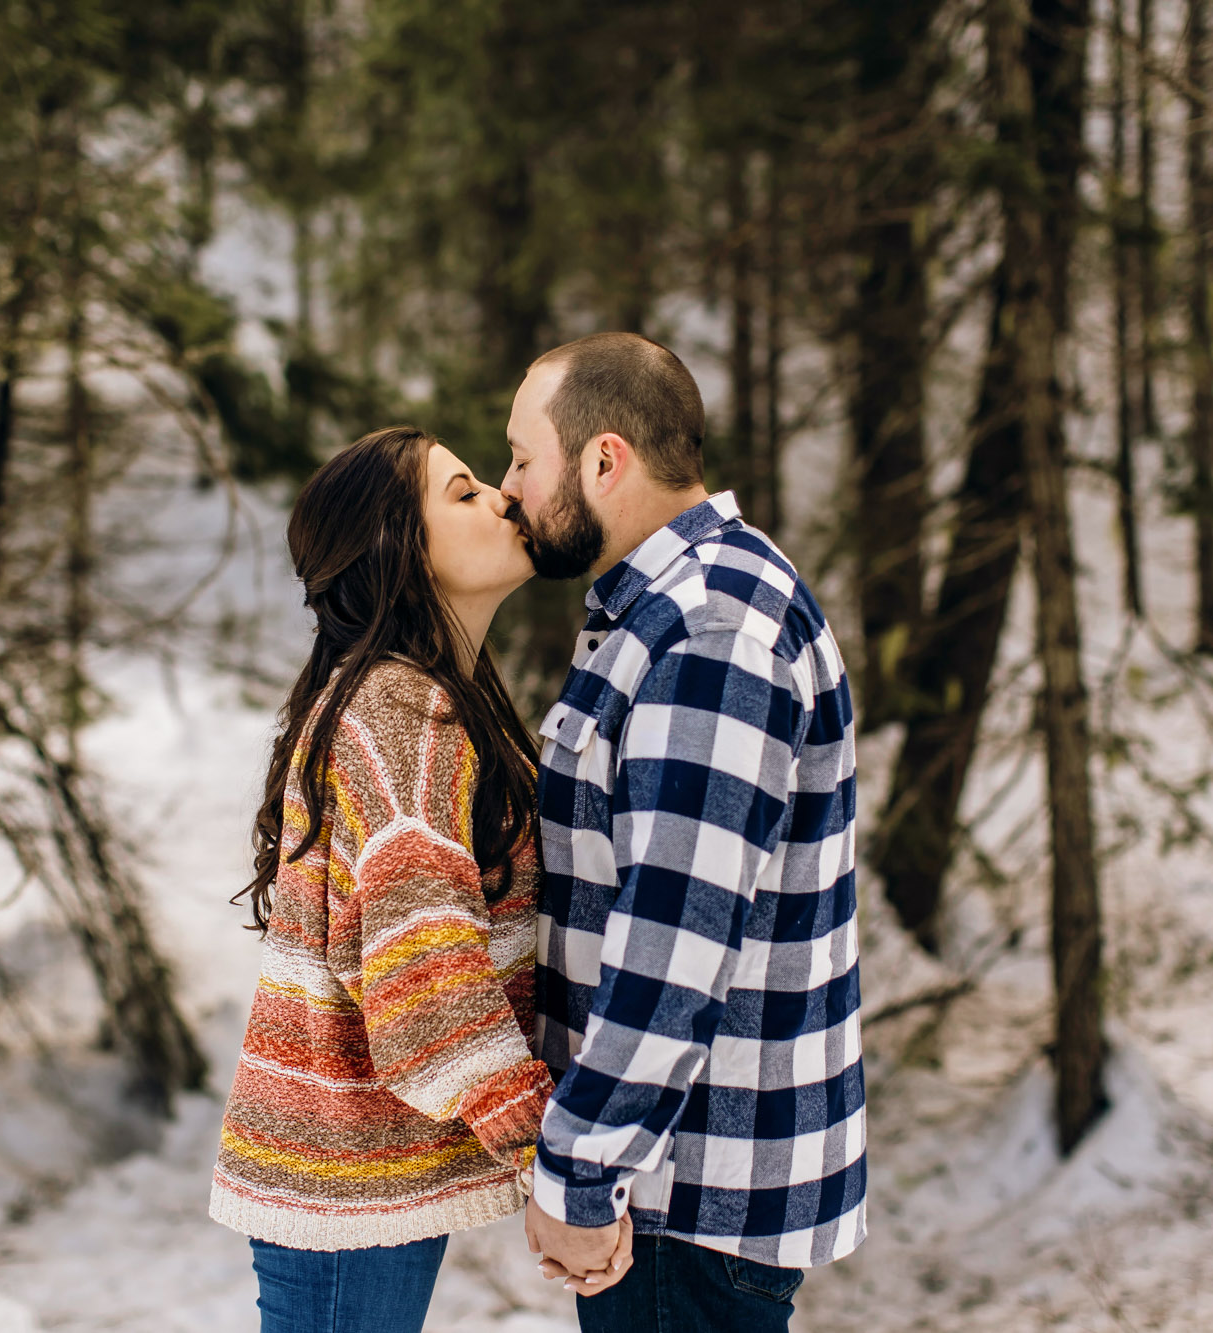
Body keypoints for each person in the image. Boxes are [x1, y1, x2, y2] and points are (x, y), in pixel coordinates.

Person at [208, 426, 632, 1333]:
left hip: (353, 1170)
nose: (503, 500)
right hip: (337, 1177)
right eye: (465, 493)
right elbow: (427, 997)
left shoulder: (429, 698)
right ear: (401, 549)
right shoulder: (401, 716)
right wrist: (553, 1160)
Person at [501, 334, 867, 1332]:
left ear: (602, 460)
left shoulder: (706, 633)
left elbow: (674, 943)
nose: (507, 489)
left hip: (683, 1198)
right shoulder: (672, 610)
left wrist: (580, 1172)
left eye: (522, 459)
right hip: (681, 1183)